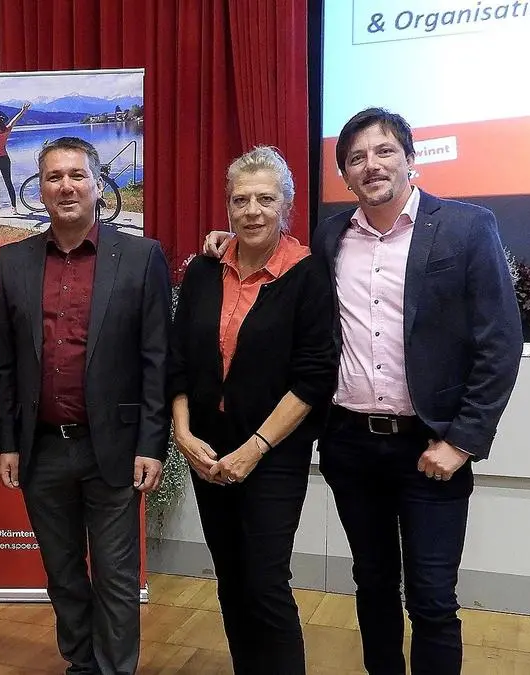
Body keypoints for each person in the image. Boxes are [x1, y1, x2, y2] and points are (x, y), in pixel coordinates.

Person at [203, 108, 523, 674]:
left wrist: (462, 441)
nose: (370, 165)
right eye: (356, 158)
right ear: (344, 176)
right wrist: (232, 238)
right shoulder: (331, 238)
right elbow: (275, 249)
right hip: (351, 446)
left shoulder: (466, 227)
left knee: (430, 599)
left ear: (410, 159)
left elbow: (499, 344)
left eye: (383, 152)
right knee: (371, 585)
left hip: (431, 448)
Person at [0, 136, 170, 675]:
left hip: (112, 447)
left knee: (116, 576)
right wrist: (6, 443)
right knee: (63, 572)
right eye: (53, 177)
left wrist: (151, 444)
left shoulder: (141, 257)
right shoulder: (12, 261)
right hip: (41, 449)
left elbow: (157, 358)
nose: (65, 186)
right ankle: (81, 664)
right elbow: (3, 361)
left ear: (97, 184)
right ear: (39, 190)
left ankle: (115, 669)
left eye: (77, 175)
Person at [169, 146, 336, 674]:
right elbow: (178, 358)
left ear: (286, 203)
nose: (252, 210)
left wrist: (253, 449)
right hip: (207, 450)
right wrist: (181, 432)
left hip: (272, 453)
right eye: (240, 199)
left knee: (265, 582)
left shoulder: (308, 273)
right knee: (231, 577)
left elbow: (314, 378)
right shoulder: (202, 269)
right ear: (227, 206)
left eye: (266, 198)